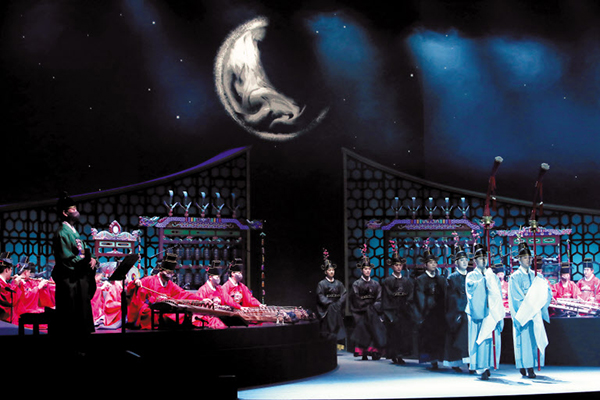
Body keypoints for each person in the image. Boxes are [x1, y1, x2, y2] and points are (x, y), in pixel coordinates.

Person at [51, 193, 98, 351]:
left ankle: (82, 348)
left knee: (81, 315)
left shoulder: (74, 232)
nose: (76, 212)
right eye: (73, 209)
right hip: (70, 281)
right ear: (65, 213)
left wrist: (92, 259)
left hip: (79, 279)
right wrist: (84, 261)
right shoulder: (62, 233)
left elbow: (84, 251)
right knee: (71, 317)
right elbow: (67, 259)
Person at [508, 242, 552, 378]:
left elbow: (546, 291)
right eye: (525, 258)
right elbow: (516, 297)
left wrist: (541, 298)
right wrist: (528, 305)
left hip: (535, 313)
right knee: (524, 341)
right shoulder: (514, 277)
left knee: (534, 339)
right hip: (524, 313)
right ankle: (524, 365)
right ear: (519, 259)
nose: (528, 260)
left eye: (529, 258)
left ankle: (532, 365)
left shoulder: (536, 276)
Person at [127, 252, 200, 329]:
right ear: (161, 270)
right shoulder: (149, 280)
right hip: (151, 309)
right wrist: (136, 282)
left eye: (171, 273)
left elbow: (183, 293)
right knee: (152, 314)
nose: (169, 275)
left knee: (181, 314)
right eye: (168, 272)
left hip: (166, 309)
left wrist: (201, 300)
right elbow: (131, 288)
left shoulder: (171, 285)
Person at [465, 244, 504, 380]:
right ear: (475, 260)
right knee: (480, 340)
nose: (483, 261)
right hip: (479, 313)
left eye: (485, 258)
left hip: (491, 312)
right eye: (480, 258)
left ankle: (488, 365)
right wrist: (483, 282)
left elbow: (498, 293)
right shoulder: (471, 276)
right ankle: (480, 368)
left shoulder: (492, 275)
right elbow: (471, 291)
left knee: (490, 341)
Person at [349, 247, 386, 360]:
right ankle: (363, 352)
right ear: (361, 270)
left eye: (369, 269)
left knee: (375, 328)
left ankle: (374, 351)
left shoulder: (375, 284)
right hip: (361, 312)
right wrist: (365, 307)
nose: (367, 271)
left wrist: (373, 308)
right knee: (363, 329)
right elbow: (356, 298)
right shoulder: (356, 284)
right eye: (365, 269)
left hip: (373, 311)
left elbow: (379, 298)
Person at [414, 248, 447, 369]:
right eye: (431, 263)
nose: (433, 265)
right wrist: (423, 311)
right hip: (427, 312)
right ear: (425, 265)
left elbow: (444, 295)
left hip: (439, 312)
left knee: (439, 335)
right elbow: (419, 297)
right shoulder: (420, 280)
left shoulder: (441, 279)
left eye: (435, 263)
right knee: (429, 337)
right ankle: (432, 360)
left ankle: (438, 357)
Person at [381, 245, 414, 365]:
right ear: (392, 266)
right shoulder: (387, 281)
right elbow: (386, 297)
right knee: (393, 334)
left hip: (404, 311)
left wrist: (407, 306)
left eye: (400, 265)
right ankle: (394, 355)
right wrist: (388, 314)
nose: (398, 267)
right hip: (393, 311)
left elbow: (411, 295)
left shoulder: (407, 281)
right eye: (396, 265)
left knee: (404, 334)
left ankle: (401, 355)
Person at [443, 244, 470, 372]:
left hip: (470, 312)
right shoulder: (452, 278)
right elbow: (451, 298)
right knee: (457, 338)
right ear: (456, 263)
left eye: (466, 260)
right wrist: (459, 311)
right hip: (457, 313)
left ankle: (471, 363)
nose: (464, 262)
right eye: (461, 260)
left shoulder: (471, 276)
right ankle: (455, 363)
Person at [195, 260, 243, 329]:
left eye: (219, 277)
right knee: (220, 324)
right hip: (207, 316)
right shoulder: (203, 290)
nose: (218, 279)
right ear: (210, 277)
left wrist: (239, 307)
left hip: (219, 314)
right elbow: (198, 305)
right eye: (217, 277)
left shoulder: (220, 289)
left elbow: (228, 299)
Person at [315, 249, 347, 343]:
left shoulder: (339, 283)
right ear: (326, 272)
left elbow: (344, 293)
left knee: (339, 327)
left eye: (333, 270)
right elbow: (320, 295)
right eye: (329, 270)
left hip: (337, 307)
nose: (332, 272)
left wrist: (339, 303)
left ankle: (339, 345)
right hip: (327, 309)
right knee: (328, 328)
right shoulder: (322, 284)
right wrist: (329, 303)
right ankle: (328, 345)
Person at [11, 260, 52, 326]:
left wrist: (42, 284)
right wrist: (39, 287)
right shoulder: (18, 282)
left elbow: (33, 287)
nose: (30, 275)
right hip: (23, 312)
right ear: (26, 272)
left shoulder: (27, 281)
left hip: (29, 310)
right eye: (29, 272)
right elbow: (26, 296)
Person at [0, 253, 16, 323]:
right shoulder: (1, 284)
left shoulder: (4, 284)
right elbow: (10, 300)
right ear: (6, 270)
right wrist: (15, 284)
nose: (11, 272)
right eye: (11, 269)